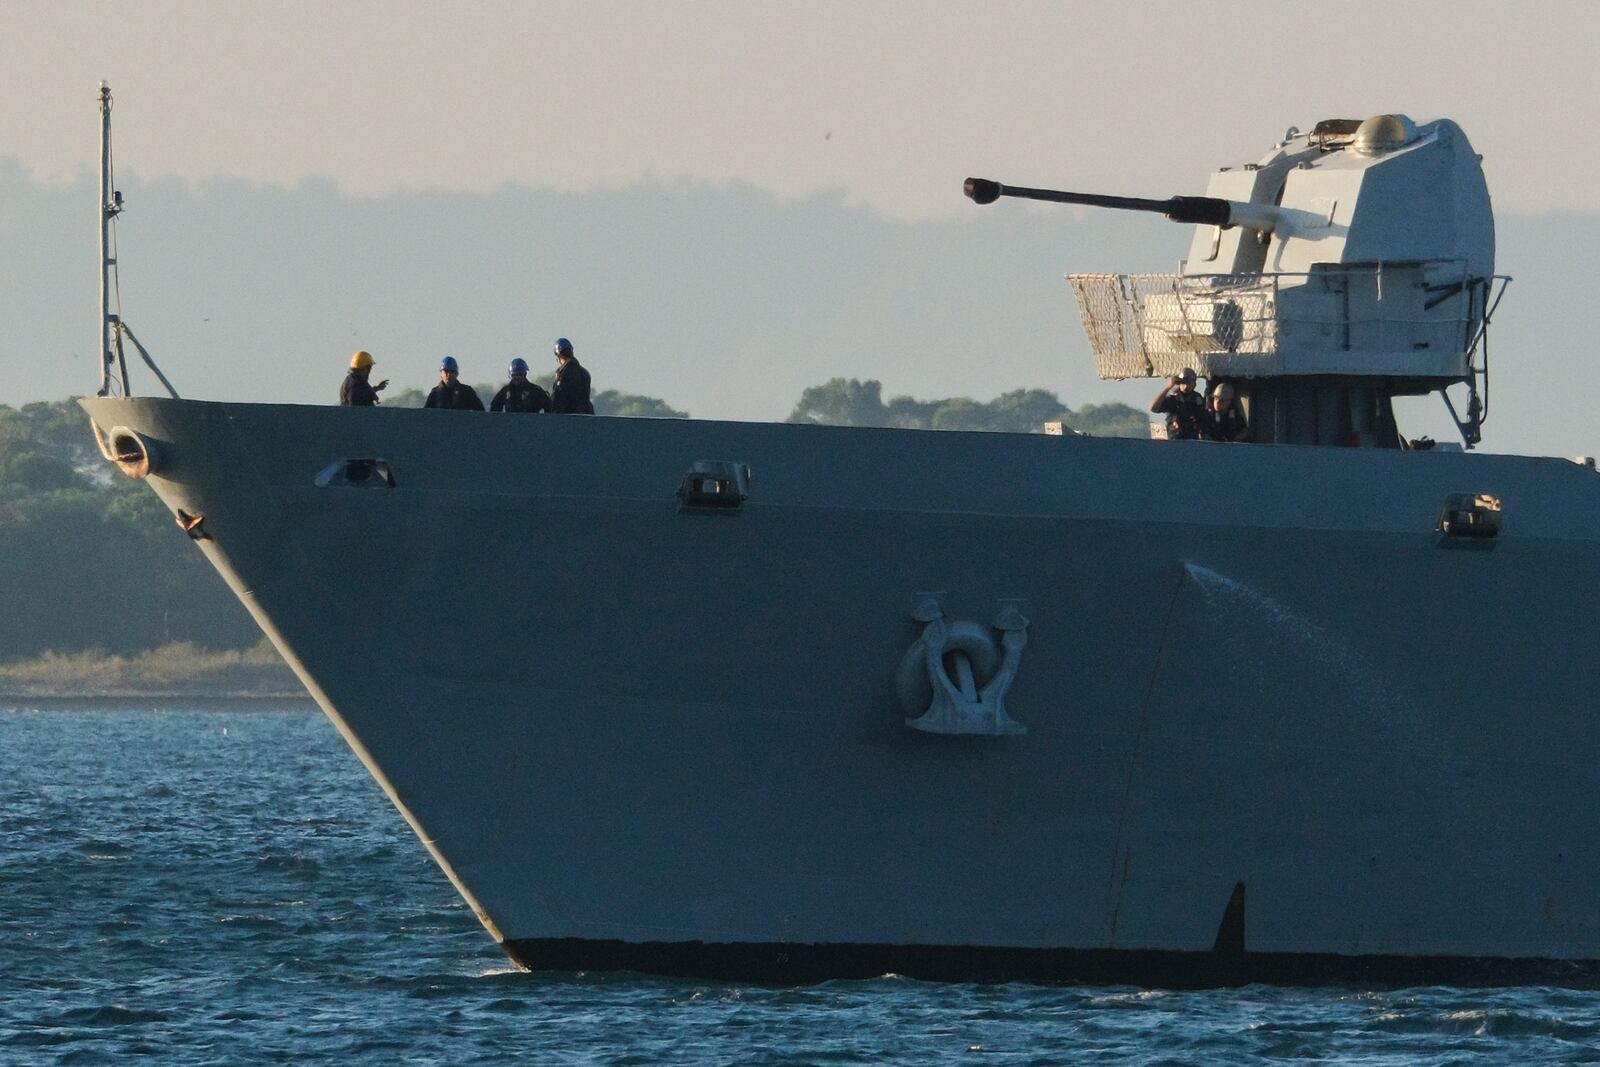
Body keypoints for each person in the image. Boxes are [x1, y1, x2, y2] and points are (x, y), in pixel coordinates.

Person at [1150, 367, 1206, 440]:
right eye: (1183, 382)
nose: (1186, 385)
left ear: (1194, 384)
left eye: (1189, 382)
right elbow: (1153, 408)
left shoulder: (1198, 400)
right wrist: (1169, 387)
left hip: (1192, 441)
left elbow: (1203, 420)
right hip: (1175, 440)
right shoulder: (1173, 399)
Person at [550, 337, 595, 415]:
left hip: (568, 418)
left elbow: (557, 398)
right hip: (585, 415)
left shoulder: (562, 372)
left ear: (558, 355)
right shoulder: (585, 372)